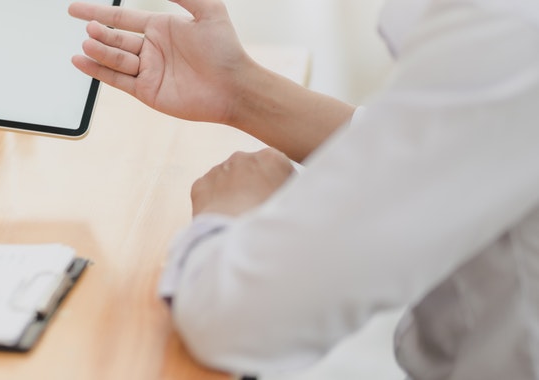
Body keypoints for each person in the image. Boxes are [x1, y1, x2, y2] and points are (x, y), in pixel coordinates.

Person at [70, 0, 539, 378]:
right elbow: (452, 146)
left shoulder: (510, 33)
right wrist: (238, 91)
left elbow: (237, 320)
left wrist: (226, 214)